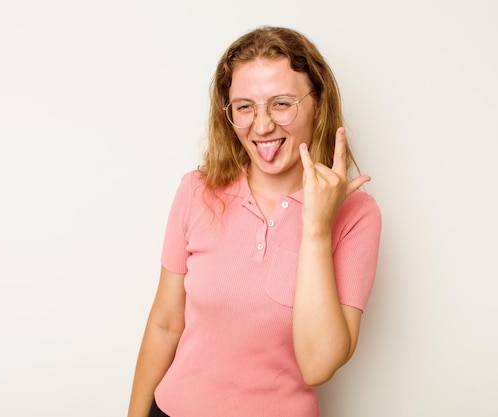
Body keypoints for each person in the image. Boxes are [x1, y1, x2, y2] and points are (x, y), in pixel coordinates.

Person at [127, 26, 381, 417]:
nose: (261, 126)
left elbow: (318, 365)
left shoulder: (356, 214)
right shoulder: (196, 191)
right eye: (245, 107)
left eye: (281, 103)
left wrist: (315, 228)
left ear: (317, 104)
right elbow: (164, 324)